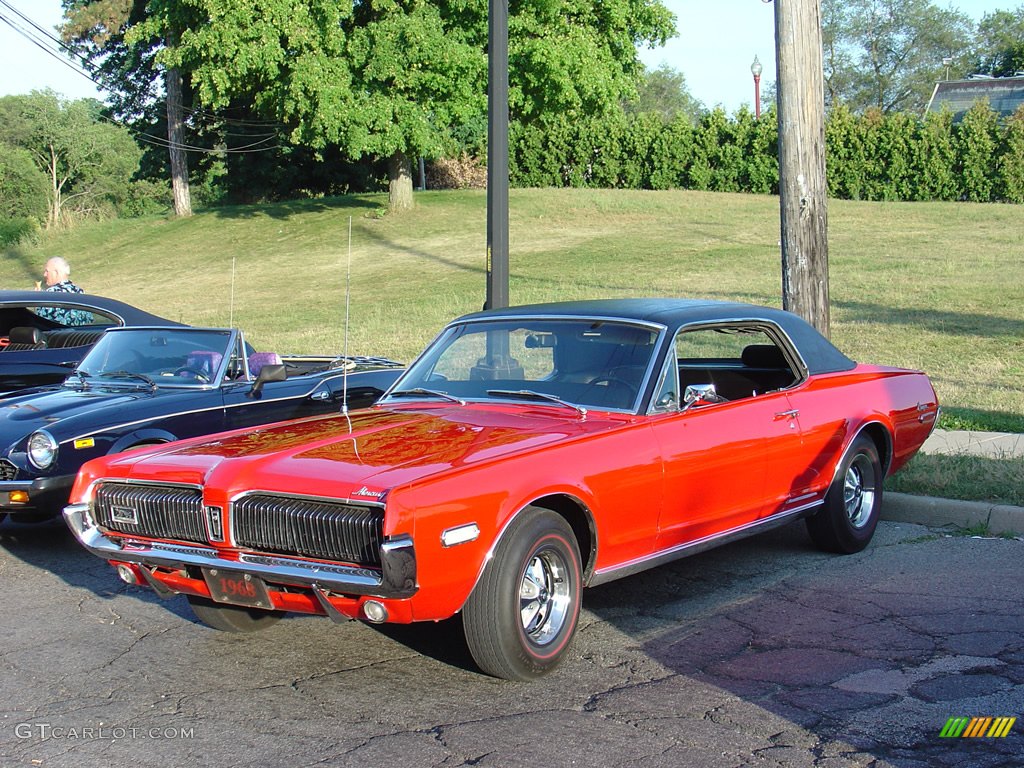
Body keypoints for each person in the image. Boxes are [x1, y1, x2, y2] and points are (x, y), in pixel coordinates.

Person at [33, 257, 92, 326]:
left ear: (56, 273)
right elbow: (89, 319)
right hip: (81, 335)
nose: (44, 274)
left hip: (60, 335)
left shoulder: (50, 294)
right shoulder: (79, 291)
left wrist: (37, 301)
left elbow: (39, 322)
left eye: (47, 271)